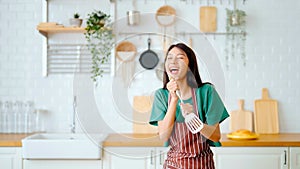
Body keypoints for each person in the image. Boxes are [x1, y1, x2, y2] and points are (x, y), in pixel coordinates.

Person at [149, 43, 229, 169]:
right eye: (169, 58)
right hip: (174, 164)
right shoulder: (162, 95)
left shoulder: (206, 92)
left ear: (189, 65)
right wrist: (174, 100)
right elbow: (163, 135)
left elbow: (216, 136)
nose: (173, 61)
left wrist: (196, 122)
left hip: (203, 164)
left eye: (180, 57)